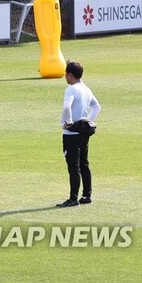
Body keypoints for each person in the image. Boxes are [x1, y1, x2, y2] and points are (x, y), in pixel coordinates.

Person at [57, 61, 101, 207]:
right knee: (84, 163)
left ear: (70, 75)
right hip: (83, 133)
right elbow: (96, 107)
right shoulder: (86, 89)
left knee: (73, 166)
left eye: (66, 74)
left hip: (71, 135)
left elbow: (66, 106)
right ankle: (87, 195)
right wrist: (87, 121)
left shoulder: (71, 90)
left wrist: (69, 122)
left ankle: (73, 198)